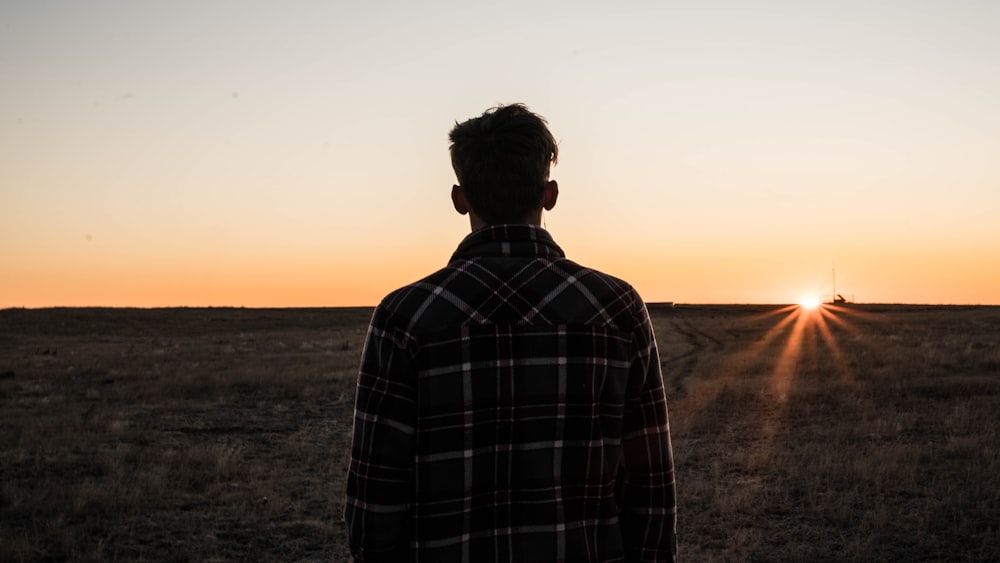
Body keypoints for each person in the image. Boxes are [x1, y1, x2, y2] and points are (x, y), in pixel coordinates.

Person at [345, 103, 676, 562]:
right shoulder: (617, 309)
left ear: (460, 199)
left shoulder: (404, 317)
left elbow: (374, 500)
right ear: (550, 193)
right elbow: (651, 490)